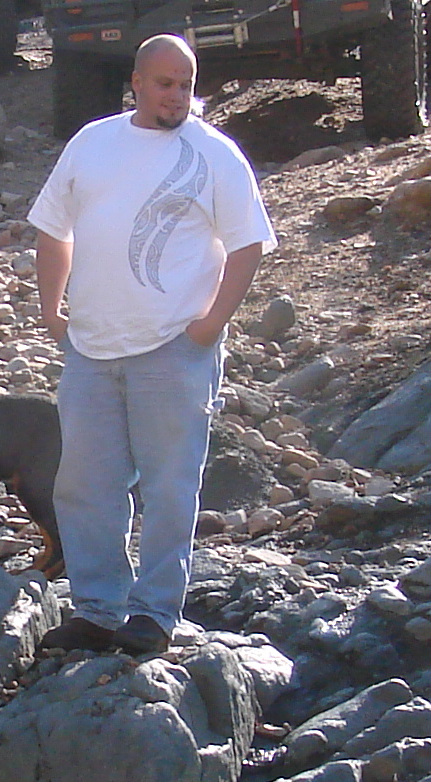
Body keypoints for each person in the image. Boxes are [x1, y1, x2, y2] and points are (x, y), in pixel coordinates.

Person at [29, 33, 273, 656]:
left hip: (173, 347)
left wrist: (212, 324)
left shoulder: (214, 153)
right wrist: (51, 310)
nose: (177, 96)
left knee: (169, 488)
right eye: (165, 83)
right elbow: (53, 228)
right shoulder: (92, 142)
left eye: (186, 84)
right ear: (136, 82)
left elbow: (249, 244)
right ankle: (97, 610)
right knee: (85, 486)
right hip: (91, 348)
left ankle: (155, 614)